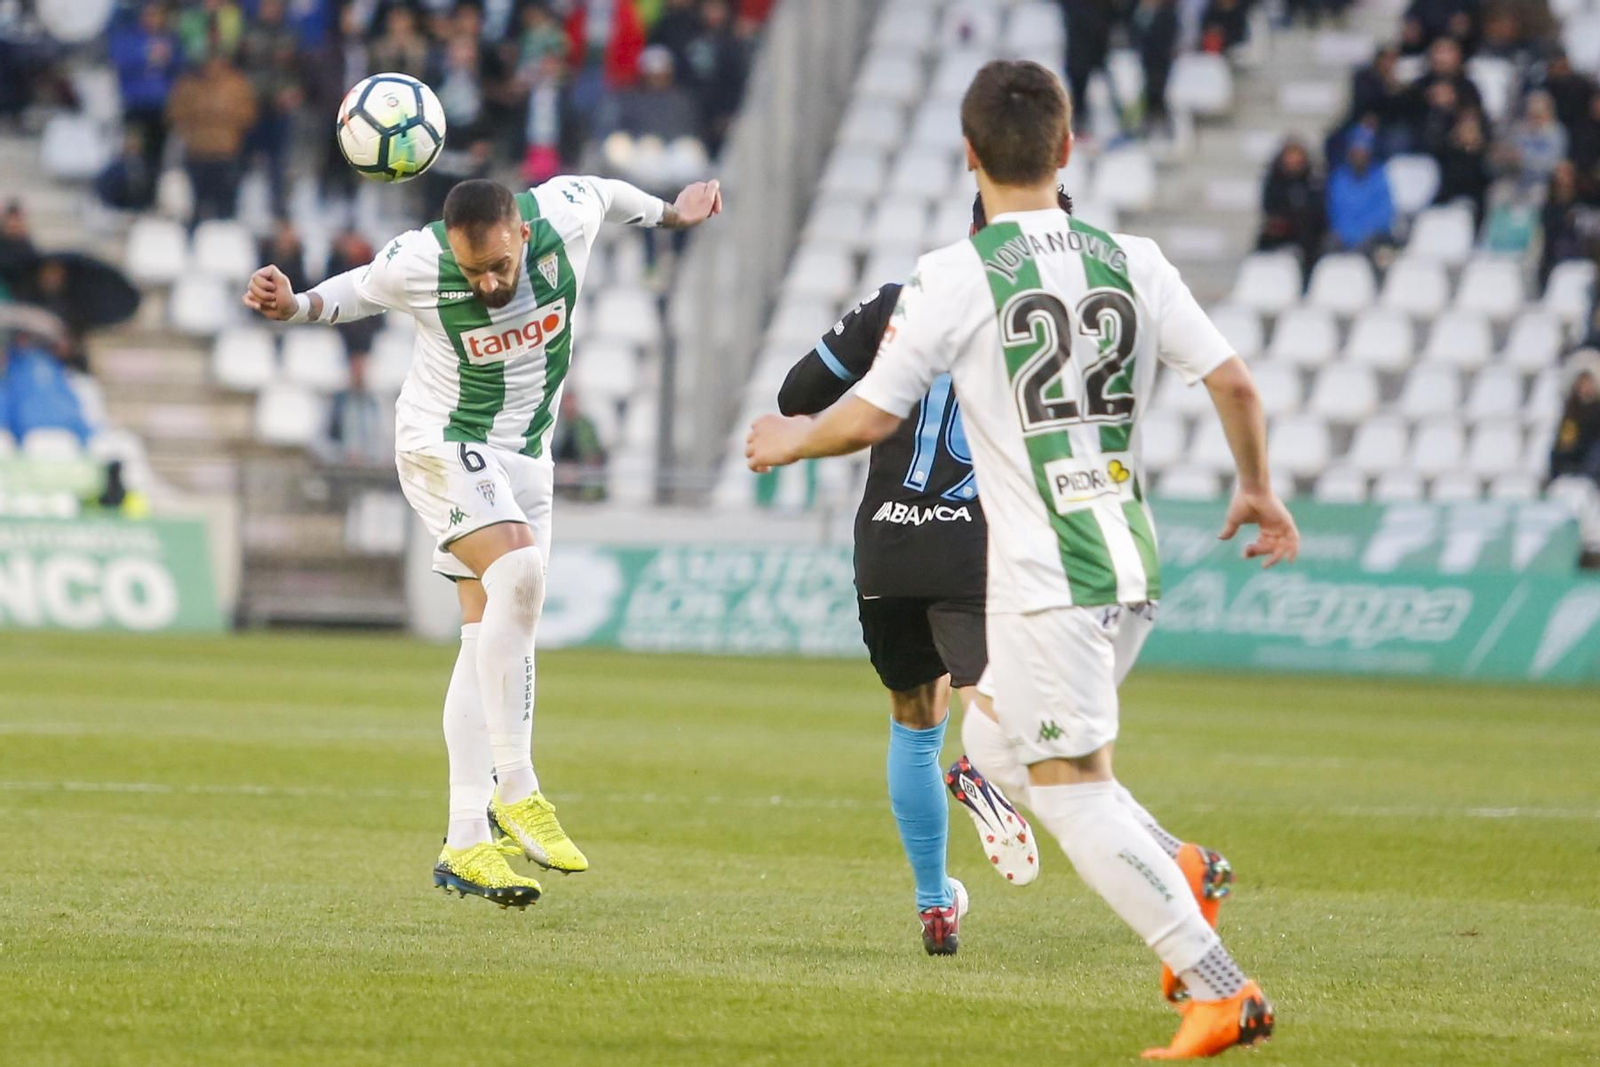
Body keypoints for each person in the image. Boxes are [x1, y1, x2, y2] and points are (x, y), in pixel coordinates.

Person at [746, 60, 1293, 1059]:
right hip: (1128, 556)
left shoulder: (957, 273)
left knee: (1072, 787)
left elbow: (871, 410)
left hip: (1047, 576)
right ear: (1068, 147)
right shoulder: (1135, 257)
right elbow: (1237, 384)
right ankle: (1172, 858)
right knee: (995, 754)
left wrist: (792, 437)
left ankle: (1219, 987)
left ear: (967, 153)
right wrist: (1255, 484)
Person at [242, 173, 722, 909]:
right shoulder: (420, 261)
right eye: (475, 273)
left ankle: (466, 838)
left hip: (528, 455)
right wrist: (297, 304)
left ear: (521, 235)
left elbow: (609, 192)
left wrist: (671, 216)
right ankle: (517, 786)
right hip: (444, 440)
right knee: (522, 574)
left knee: (488, 640)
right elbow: (358, 291)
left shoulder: (561, 215)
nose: (490, 283)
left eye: (499, 266)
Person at [166, 48, 257, 225]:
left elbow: (248, 115)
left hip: (226, 152)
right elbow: (175, 113)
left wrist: (225, 122)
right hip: (197, 151)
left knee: (226, 204)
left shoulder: (236, 84)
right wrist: (194, 127)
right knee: (197, 203)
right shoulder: (188, 85)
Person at [1257, 138, 1327, 277]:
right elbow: (1269, 207)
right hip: (1281, 231)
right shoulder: (1274, 181)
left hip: (1307, 232)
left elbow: (1318, 209)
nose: (1293, 160)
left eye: (1297, 156)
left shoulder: (1313, 181)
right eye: (1290, 156)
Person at [1327, 129, 1396, 252]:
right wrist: (1348, 235)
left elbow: (1384, 213)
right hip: (1344, 238)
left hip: (1372, 237)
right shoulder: (1339, 178)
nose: (1359, 156)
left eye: (1363, 152)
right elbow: (1335, 212)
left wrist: (1366, 235)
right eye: (1356, 152)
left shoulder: (1379, 177)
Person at [550, 388, 608, 501]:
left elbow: (593, 454)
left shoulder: (585, 426)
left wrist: (575, 470)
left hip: (581, 477)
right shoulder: (557, 425)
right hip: (558, 474)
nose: (568, 407)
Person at [1551, 369, 1600, 486]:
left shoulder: (1597, 408)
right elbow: (1566, 435)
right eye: (1582, 384)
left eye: (1588, 384)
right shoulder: (1572, 410)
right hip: (1576, 450)